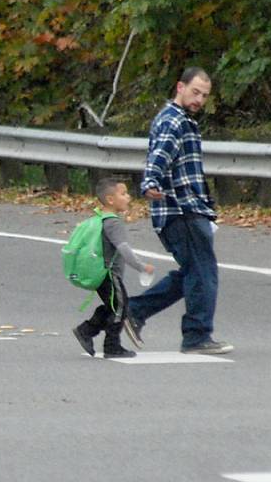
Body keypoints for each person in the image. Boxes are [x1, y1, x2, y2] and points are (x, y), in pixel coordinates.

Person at [127, 67, 233, 355]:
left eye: (204, 95)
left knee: (193, 272)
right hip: (180, 210)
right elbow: (160, 154)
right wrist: (150, 181)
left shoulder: (181, 120)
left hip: (185, 209)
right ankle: (197, 336)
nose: (199, 99)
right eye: (195, 92)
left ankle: (134, 311)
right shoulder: (174, 121)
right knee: (203, 273)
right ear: (180, 87)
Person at [72, 178, 155, 359]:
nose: (128, 197)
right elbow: (123, 248)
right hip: (109, 273)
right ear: (110, 199)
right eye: (123, 194)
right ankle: (112, 346)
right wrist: (141, 266)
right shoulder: (113, 222)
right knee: (120, 308)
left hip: (101, 272)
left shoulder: (100, 218)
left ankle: (86, 330)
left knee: (113, 307)